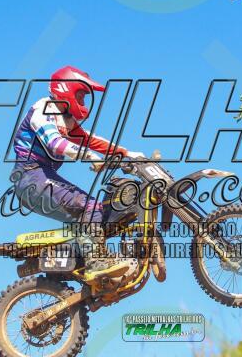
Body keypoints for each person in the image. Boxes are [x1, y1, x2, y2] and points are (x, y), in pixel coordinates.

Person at [12, 65, 144, 284]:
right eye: (81, 95)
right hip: (30, 177)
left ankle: (81, 259)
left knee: (100, 212)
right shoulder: (43, 110)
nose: (83, 101)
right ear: (67, 89)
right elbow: (55, 143)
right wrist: (90, 156)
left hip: (41, 176)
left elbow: (91, 140)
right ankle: (95, 263)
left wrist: (127, 153)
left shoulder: (65, 119)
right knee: (90, 207)